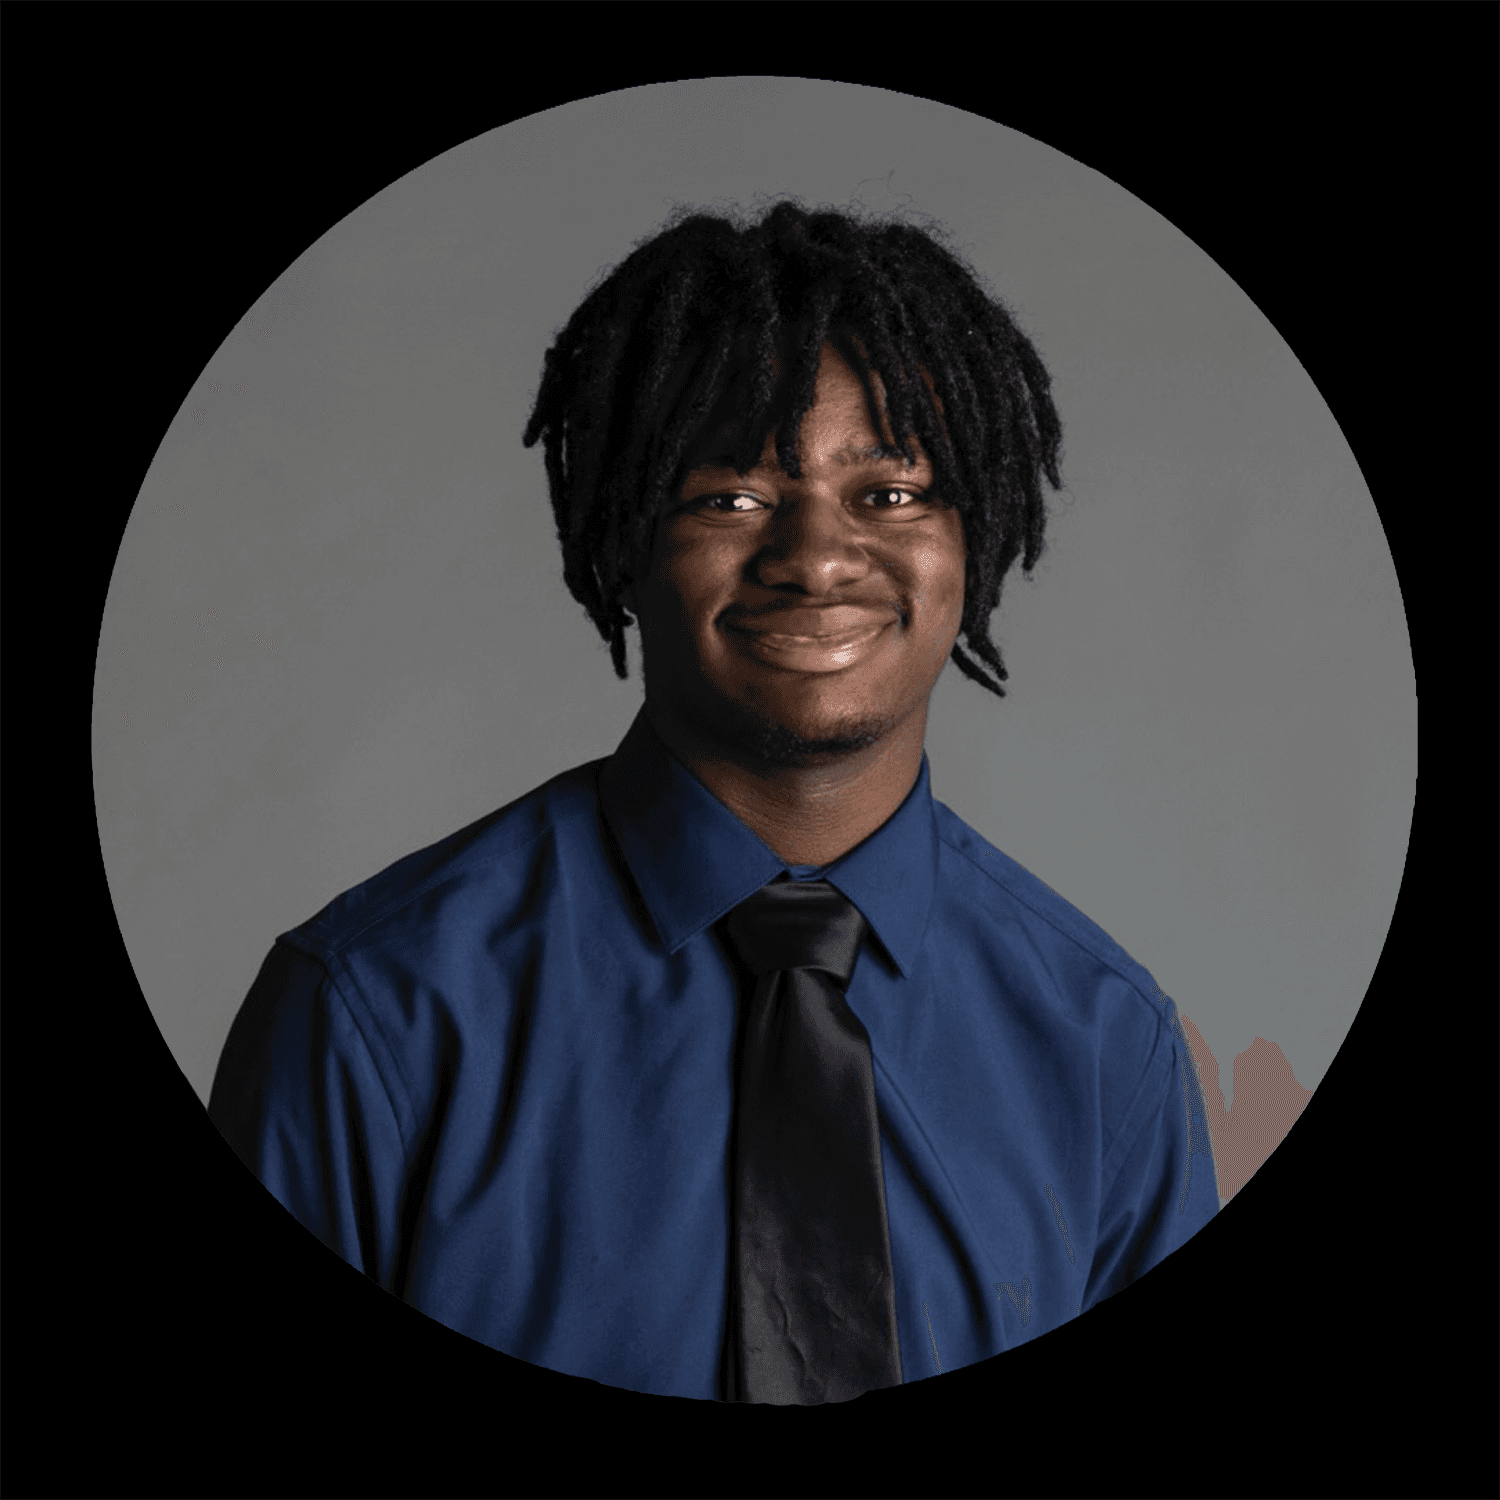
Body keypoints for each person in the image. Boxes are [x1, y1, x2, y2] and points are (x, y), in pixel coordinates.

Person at [208, 198, 1220, 1405]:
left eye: (892, 492)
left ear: (975, 538)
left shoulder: (1104, 1043)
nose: (816, 554)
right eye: (729, 497)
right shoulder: (375, 1013)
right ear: (623, 543)